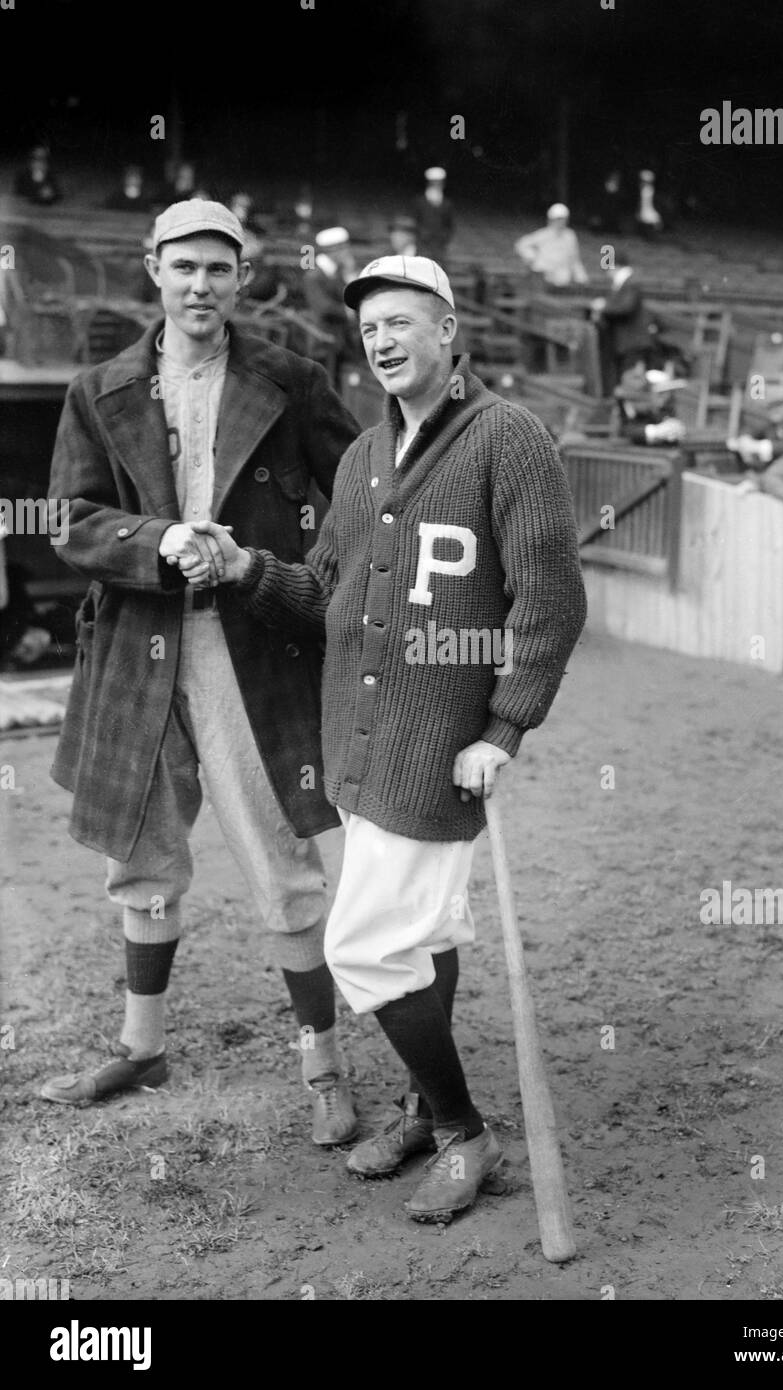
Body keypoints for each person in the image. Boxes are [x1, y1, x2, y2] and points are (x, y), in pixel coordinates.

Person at [190, 255, 587, 1222]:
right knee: (425, 933)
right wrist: (247, 569)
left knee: (364, 946)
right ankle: (421, 1104)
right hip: (364, 741)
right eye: (370, 329)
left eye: (405, 322)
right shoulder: (366, 456)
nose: (384, 341)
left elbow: (550, 599)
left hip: (440, 742)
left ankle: (462, 1129)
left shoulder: (508, 438)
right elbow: (326, 595)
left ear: (451, 331)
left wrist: (505, 726)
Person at [40, 199, 362, 1146]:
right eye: (183, 268)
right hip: (136, 651)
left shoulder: (292, 379)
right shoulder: (98, 389)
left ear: (241, 278)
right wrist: (157, 537)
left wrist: (282, 574)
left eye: (218, 270)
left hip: (246, 647)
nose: (201, 286)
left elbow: (357, 498)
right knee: (137, 856)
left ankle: (324, 1061)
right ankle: (142, 1045)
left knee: (280, 855)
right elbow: (71, 520)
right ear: (152, 270)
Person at [302, 227, 360, 385]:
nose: (347, 252)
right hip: (322, 342)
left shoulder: (340, 273)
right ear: (333, 251)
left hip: (340, 342)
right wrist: (349, 311)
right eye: (343, 248)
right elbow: (324, 309)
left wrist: (350, 276)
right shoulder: (314, 275)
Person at [591, 254, 652, 396]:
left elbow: (625, 308)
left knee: (632, 383)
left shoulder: (631, 282)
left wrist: (604, 306)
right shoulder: (622, 284)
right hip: (623, 343)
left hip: (632, 343)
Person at [514, 203, 588, 290]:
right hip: (543, 278)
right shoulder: (543, 234)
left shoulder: (570, 236)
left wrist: (581, 277)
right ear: (551, 220)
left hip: (562, 280)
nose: (560, 222)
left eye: (562, 219)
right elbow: (521, 244)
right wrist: (532, 257)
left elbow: (574, 259)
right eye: (557, 219)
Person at [412, 167, 455, 267]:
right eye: (434, 182)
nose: (437, 184)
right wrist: (421, 233)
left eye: (439, 182)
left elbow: (449, 225)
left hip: (439, 246)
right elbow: (414, 221)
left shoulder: (447, 203)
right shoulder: (419, 201)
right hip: (422, 244)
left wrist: (444, 238)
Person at [636, 170, 663, 238]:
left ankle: (651, 234)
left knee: (652, 219)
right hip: (645, 207)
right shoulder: (645, 189)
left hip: (648, 207)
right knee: (647, 220)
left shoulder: (648, 189)